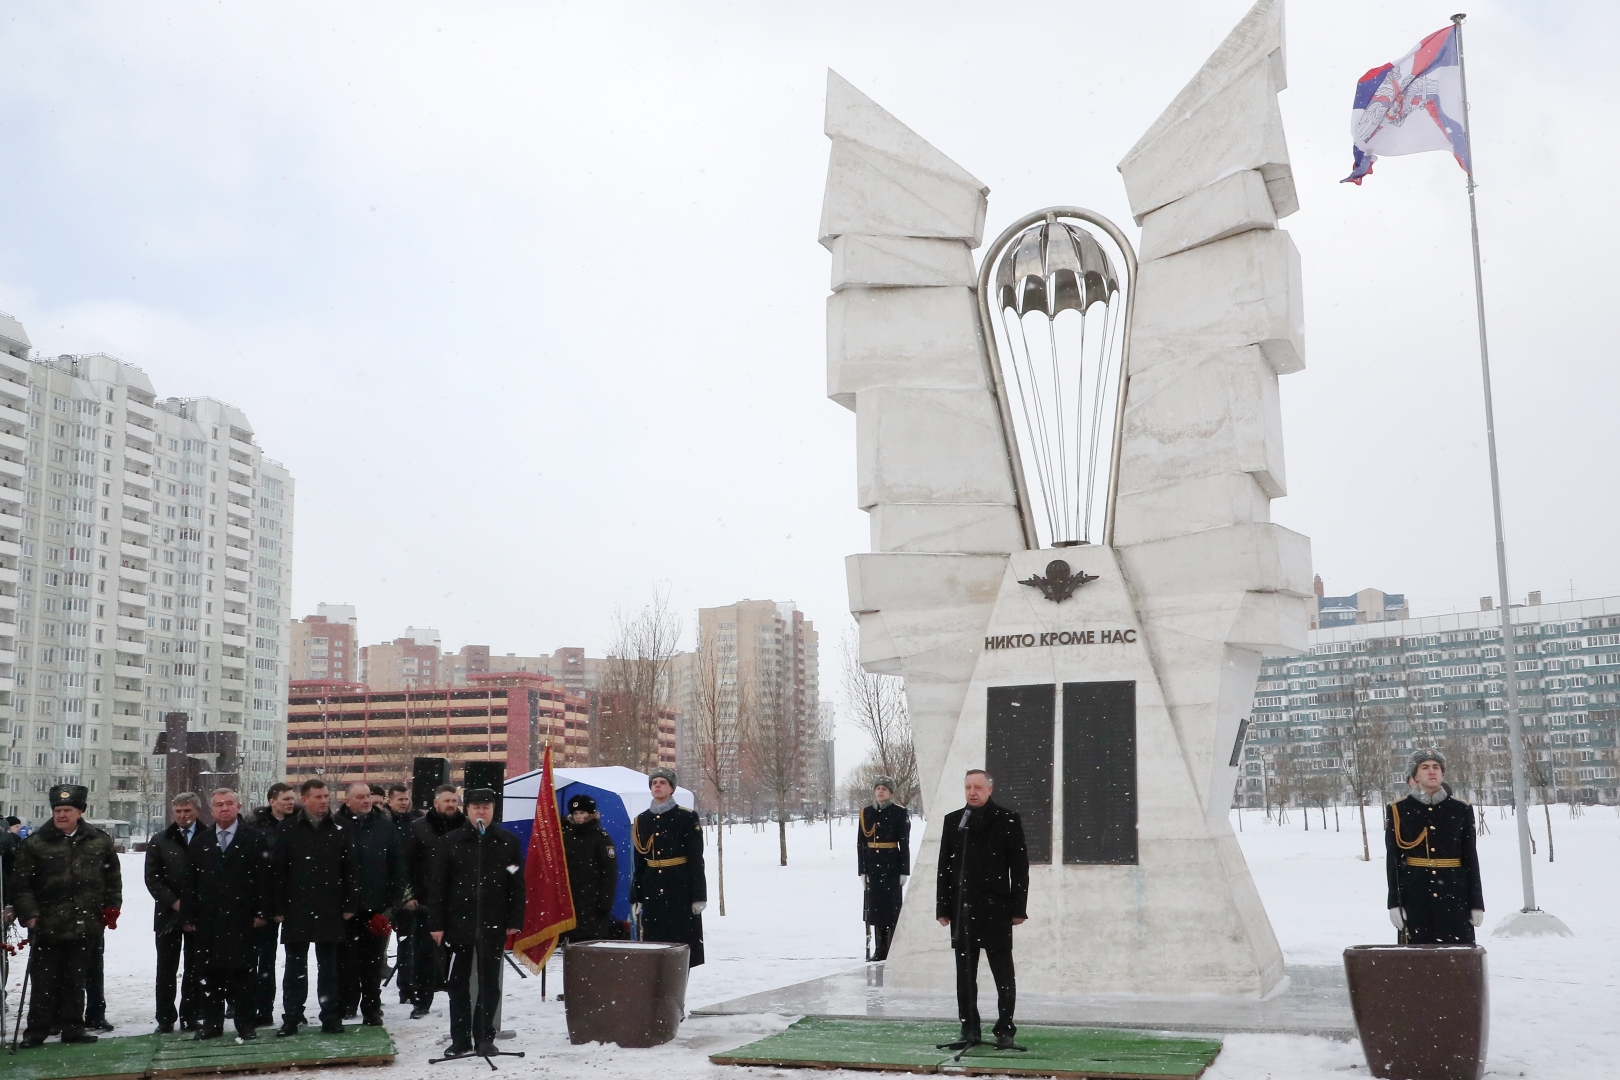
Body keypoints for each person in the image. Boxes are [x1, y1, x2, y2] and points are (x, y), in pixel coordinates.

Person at [11, 784, 122, 1048]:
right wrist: (29, 914)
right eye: (58, 810)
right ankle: (37, 1031)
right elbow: (21, 884)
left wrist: (111, 909)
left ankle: (73, 1028)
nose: (61, 815)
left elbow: (112, 879)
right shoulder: (35, 844)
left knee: (76, 980)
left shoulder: (99, 841)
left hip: (85, 923)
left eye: (68, 810)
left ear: (80, 811)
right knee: (44, 982)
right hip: (47, 924)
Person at [427, 788, 525, 1059]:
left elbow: (516, 883)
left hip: (493, 922)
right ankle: (460, 1039)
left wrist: (515, 918)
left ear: (494, 809)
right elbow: (438, 886)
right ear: (466, 810)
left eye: (486, 806)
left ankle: (485, 1036)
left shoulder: (508, 842)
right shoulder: (450, 842)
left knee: (489, 981)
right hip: (458, 923)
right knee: (457, 983)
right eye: (475, 807)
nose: (481, 811)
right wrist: (436, 923)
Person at [936, 769, 1028, 1051]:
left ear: (990, 789)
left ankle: (1005, 1029)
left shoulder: (1008, 820)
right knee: (965, 976)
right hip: (963, 911)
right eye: (967, 787)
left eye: (977, 787)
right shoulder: (955, 822)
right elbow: (945, 868)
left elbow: (1019, 868)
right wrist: (943, 906)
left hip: (996, 909)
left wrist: (1018, 908)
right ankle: (969, 1028)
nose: (972, 792)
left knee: (1003, 973)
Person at [272, 779, 358, 1036]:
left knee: (329, 966)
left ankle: (330, 1015)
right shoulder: (288, 829)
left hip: (330, 906)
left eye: (326, 796)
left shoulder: (342, 828)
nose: (324, 800)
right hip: (296, 906)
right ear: (306, 799)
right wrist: (277, 906)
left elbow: (351, 869)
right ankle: (292, 1017)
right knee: (295, 966)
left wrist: (350, 902)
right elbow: (278, 871)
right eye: (318, 796)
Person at [186, 789, 272, 1041]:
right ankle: (212, 1023)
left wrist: (261, 912)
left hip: (242, 918)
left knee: (243, 974)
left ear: (239, 807)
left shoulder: (254, 839)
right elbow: (190, 882)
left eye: (229, 804)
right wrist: (189, 916)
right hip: (208, 920)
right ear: (211, 811)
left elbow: (264, 880)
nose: (224, 808)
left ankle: (246, 1024)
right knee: (209, 976)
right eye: (219, 805)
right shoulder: (200, 842)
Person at [1386, 750, 1484, 944]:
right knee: (1417, 959)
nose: (1432, 771)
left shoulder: (1461, 809)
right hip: (1415, 894)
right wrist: (1394, 902)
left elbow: (1470, 858)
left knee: (1457, 958)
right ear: (1415, 775)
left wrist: (1476, 903)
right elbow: (1394, 859)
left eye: (1436, 767)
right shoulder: (1399, 809)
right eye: (1425, 767)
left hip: (1454, 893)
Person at [336, 780, 404, 1025]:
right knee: (345, 961)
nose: (366, 801)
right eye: (361, 797)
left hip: (377, 907)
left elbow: (397, 867)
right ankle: (346, 1004)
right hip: (344, 909)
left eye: (368, 796)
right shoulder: (335, 826)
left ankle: (372, 1009)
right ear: (348, 801)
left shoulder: (385, 827)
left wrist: (392, 905)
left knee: (373, 962)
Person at [630, 767, 705, 966]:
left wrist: (698, 896)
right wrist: (636, 895)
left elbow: (696, 859)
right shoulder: (641, 820)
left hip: (679, 887)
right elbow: (639, 862)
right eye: (654, 783)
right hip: (652, 889)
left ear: (671, 788)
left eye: (662, 782)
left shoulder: (686, 817)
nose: (657, 786)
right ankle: (657, 992)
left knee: (681, 945)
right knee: (654, 945)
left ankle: (676, 992)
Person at [146, 792, 204, 1034]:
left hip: (200, 915)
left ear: (197, 811)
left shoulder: (208, 837)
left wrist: (195, 904)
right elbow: (153, 879)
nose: (182, 816)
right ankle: (165, 1017)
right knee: (166, 969)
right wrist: (174, 902)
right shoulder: (160, 840)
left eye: (187, 811)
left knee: (196, 967)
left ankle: (191, 1015)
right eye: (178, 811)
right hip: (168, 916)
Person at [404, 784, 463, 1019]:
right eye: (446, 801)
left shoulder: (466, 827)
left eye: (454, 801)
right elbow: (406, 866)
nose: (450, 805)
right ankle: (421, 1001)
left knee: (459, 954)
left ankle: (458, 997)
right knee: (423, 955)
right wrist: (408, 896)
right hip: (426, 902)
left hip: (459, 902)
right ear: (435, 803)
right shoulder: (418, 829)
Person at [248, 782, 300, 1027]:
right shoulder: (257, 828)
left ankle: (294, 1010)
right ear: (272, 801)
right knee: (264, 960)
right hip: (265, 903)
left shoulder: (300, 824)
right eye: (285, 799)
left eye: (292, 798)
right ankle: (262, 1009)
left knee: (296, 960)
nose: (290, 802)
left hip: (295, 902)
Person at [857, 775, 910, 962]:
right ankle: (880, 949)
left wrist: (904, 870)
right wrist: (862, 870)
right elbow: (861, 844)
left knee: (892, 910)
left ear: (890, 793)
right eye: (878, 788)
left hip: (891, 866)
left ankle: (892, 948)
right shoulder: (866, 813)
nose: (880, 791)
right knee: (876, 910)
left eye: (884, 789)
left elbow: (904, 843)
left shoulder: (900, 813)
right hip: (873, 868)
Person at [561, 794, 624, 943]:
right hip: (571, 900)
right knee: (571, 946)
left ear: (591, 814)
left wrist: (605, 903)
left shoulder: (601, 838)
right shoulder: (567, 836)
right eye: (575, 813)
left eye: (582, 813)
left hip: (593, 902)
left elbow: (610, 873)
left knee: (589, 944)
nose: (578, 817)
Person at [384, 781, 422, 1005]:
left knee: (414, 944)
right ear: (390, 801)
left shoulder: (416, 823)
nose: (405, 803)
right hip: (395, 893)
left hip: (416, 891)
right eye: (400, 799)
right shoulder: (384, 824)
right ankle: (405, 987)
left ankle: (414, 985)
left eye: (407, 799)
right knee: (404, 943)